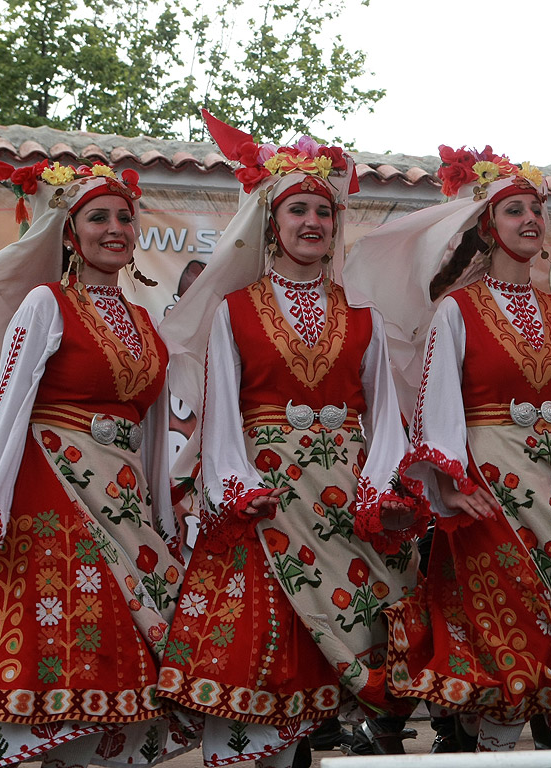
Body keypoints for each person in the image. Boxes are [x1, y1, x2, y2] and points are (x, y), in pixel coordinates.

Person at [344, 143, 551, 752]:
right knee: (511, 642)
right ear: (488, 226)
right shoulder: (456, 310)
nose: (531, 220)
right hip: (489, 486)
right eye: (514, 211)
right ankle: (491, 751)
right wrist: (452, 483)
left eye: (537, 209)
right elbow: (437, 404)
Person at [155, 112, 424, 768]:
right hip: (265, 506)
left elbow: (386, 417)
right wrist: (237, 486)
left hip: (342, 509)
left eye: (324, 213)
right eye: (297, 210)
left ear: (336, 229)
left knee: (318, 678)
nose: (312, 222)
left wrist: (383, 488)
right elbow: (220, 421)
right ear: (270, 226)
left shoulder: (362, 318)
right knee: (257, 666)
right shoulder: (234, 310)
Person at [0, 158, 197, 767]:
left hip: (126, 498)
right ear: (69, 232)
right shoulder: (45, 303)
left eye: (125, 218)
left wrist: (165, 514)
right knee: (69, 641)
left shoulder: (145, 322)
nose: (115, 228)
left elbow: (154, 430)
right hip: (56, 490)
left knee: (127, 647)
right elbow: (10, 405)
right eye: (98, 217)